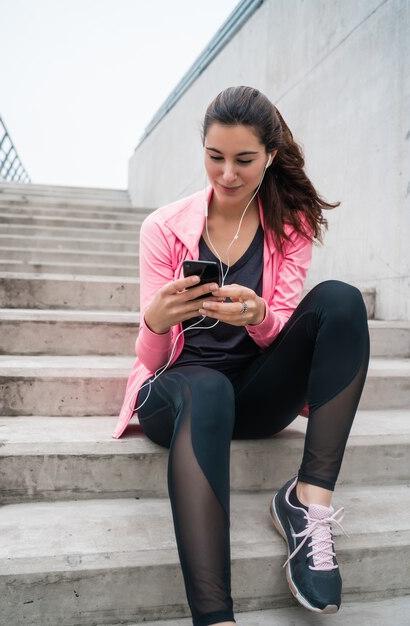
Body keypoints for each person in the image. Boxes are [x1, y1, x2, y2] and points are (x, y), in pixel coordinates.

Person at [113, 86, 370, 625]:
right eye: (215, 157)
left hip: (254, 394)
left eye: (244, 160)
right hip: (178, 393)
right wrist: (158, 318)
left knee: (341, 301)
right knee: (206, 386)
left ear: (270, 156)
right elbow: (151, 356)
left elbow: (280, 332)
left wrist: (259, 318)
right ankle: (216, 618)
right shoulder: (162, 227)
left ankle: (309, 504)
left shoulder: (288, 222)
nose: (227, 174)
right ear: (203, 150)